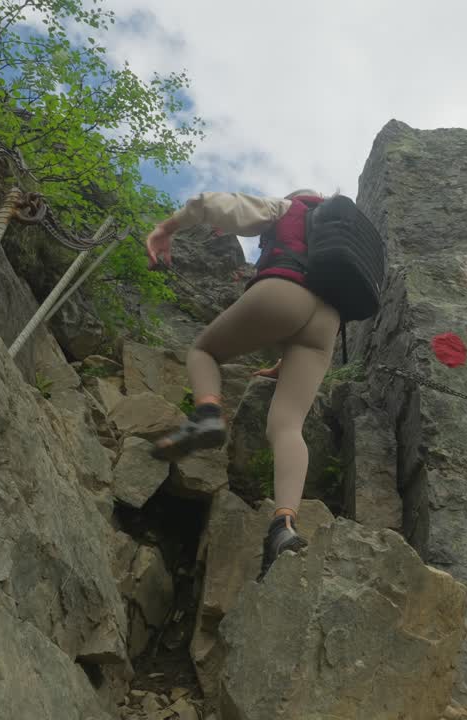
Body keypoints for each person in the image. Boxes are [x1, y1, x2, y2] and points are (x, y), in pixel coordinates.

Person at [144, 189, 338, 580]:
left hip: (282, 292)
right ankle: (283, 525)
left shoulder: (288, 209)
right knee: (287, 426)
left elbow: (220, 206)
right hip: (326, 326)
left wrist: (167, 227)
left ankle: (208, 415)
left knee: (203, 351)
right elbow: (310, 312)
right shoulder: (336, 242)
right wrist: (286, 364)